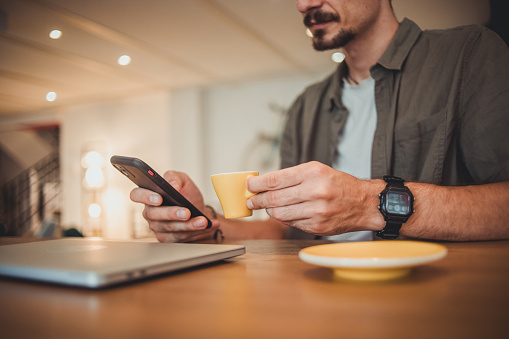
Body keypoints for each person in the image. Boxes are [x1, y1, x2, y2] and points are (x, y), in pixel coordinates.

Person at [130, 0, 509, 242]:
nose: (303, 4)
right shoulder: (305, 105)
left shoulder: (469, 54)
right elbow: (284, 230)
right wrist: (202, 223)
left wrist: (366, 202)